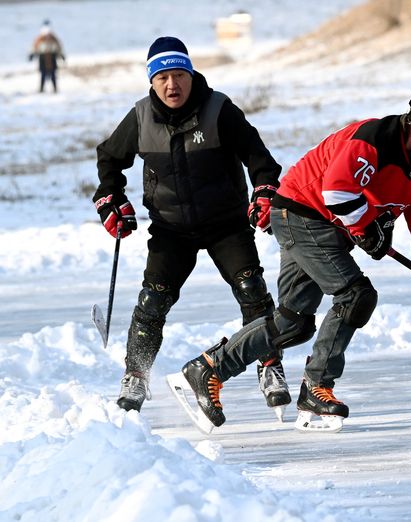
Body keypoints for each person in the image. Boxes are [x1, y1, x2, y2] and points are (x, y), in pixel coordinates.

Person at [176, 83, 411, 432]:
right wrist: (367, 227)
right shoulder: (376, 138)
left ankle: (208, 368)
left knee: (294, 322)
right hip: (302, 212)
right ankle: (317, 385)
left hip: (325, 225)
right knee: (356, 296)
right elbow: (337, 190)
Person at [92, 36, 282, 413]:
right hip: (171, 229)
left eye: (179, 75)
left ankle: (270, 365)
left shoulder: (219, 109)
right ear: (152, 82)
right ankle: (136, 374)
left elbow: (258, 156)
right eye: (162, 78)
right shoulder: (140, 117)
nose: (172, 85)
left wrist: (264, 189)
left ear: (191, 75)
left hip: (226, 224)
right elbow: (109, 158)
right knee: (152, 300)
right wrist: (110, 197)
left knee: (252, 291)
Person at [29, 20, 65, 93]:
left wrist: (61, 55)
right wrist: (32, 54)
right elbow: (35, 47)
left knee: (53, 74)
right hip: (42, 57)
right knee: (43, 74)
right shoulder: (39, 38)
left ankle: (55, 89)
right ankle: (42, 89)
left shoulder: (53, 38)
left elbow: (58, 47)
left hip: (52, 57)